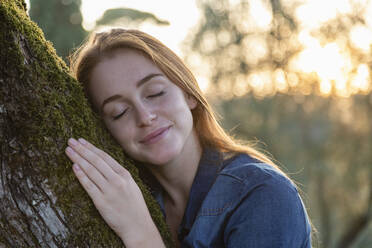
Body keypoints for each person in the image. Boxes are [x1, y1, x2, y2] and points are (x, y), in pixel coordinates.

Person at [65, 28, 312, 248]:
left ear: (189, 94)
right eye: (119, 112)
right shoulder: (126, 195)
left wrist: (140, 234)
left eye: (155, 92)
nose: (145, 116)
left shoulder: (262, 193)